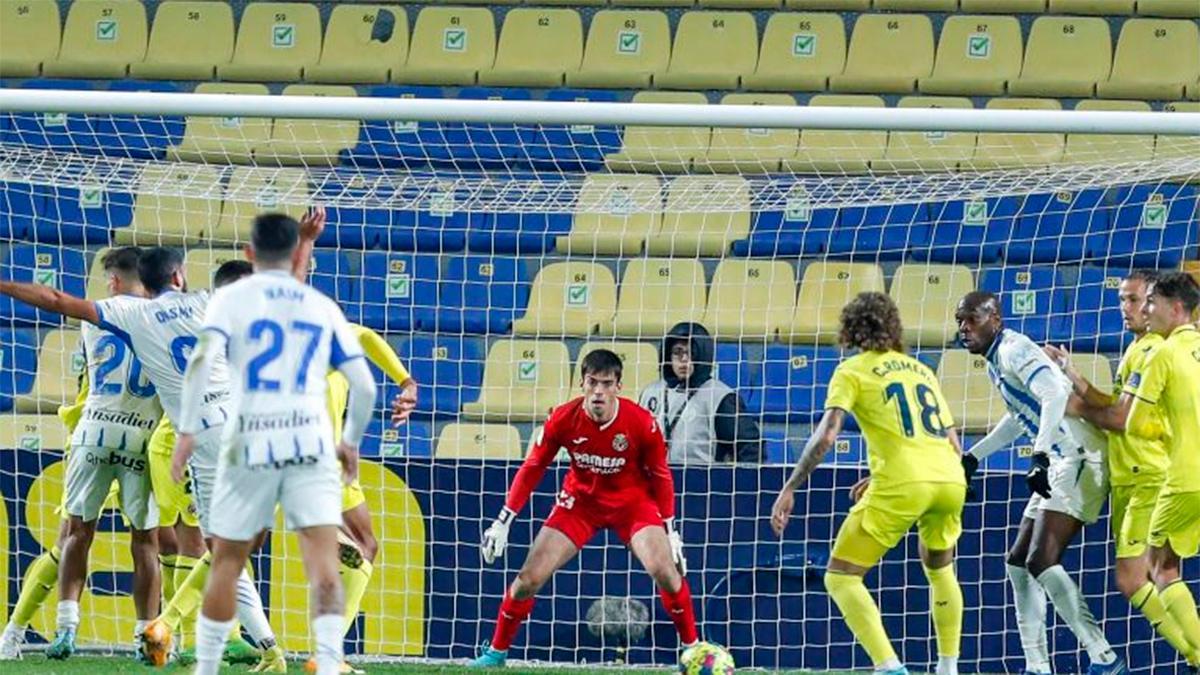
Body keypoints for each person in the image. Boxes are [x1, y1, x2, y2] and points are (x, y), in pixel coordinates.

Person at [0, 216, 324, 671]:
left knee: (215, 548)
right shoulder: (209, 301)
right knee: (221, 547)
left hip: (200, 438)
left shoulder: (131, 313)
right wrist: (305, 242)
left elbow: (56, 300)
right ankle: (269, 649)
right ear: (178, 276)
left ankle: (168, 624)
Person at [171, 212, 376, 675]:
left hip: (251, 440)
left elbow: (202, 360)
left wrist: (186, 431)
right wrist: (350, 441)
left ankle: (206, 668)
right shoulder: (321, 306)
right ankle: (327, 663)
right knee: (324, 564)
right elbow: (363, 386)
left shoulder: (231, 299)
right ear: (295, 253)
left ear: (248, 253)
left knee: (227, 559)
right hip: (308, 442)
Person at [770, 292, 966, 675]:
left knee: (840, 576)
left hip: (905, 482)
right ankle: (948, 667)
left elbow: (826, 437)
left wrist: (791, 485)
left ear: (850, 331)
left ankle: (889, 667)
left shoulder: (853, 371)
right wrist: (882, 476)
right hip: (949, 479)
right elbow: (953, 443)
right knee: (940, 568)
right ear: (893, 326)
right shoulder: (920, 369)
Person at [470, 349, 697, 668]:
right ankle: (495, 653)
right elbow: (533, 466)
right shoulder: (563, 418)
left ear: (619, 385)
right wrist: (503, 521)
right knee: (528, 578)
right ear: (582, 384)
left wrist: (671, 532)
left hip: (632, 504)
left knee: (665, 572)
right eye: (593, 383)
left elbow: (660, 475)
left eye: (606, 383)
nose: (599, 392)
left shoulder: (642, 423)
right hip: (580, 504)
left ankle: (694, 649)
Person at [0, 247, 163, 661]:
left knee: (74, 534)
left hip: (94, 433)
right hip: (142, 438)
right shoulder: (167, 319)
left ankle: (65, 630)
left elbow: (54, 300)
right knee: (146, 542)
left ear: (113, 280)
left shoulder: (96, 314)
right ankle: (146, 637)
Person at [957, 291, 1126, 675]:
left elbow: (1054, 394)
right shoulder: (995, 361)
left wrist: (1040, 454)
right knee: (1018, 562)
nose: (964, 328)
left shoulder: (1016, 350)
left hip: (1080, 455)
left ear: (995, 319)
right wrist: (973, 456)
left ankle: (1104, 657)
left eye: (972, 319)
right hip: (1061, 458)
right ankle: (1037, 666)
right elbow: (1022, 415)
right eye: (959, 321)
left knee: (1040, 559)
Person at [1044, 271, 1199, 669]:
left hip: (1153, 474)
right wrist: (1075, 379)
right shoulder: (1140, 350)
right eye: (1125, 300)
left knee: (1139, 577)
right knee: (1158, 572)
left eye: (1139, 300)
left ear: (1166, 306)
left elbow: (1119, 417)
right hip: (1133, 474)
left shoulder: (1155, 352)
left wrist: (1065, 403)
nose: (1131, 309)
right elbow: (1114, 403)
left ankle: (1195, 653)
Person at [1119, 273, 1200, 666]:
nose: (1147, 311)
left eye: (1153, 303)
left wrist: (1162, 426)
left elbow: (1133, 422)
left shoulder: (1162, 354)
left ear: (1176, 308)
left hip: (1185, 477)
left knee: (1161, 567)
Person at [638, 322, 761, 463]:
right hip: (652, 480)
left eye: (691, 353)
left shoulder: (720, 397)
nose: (684, 359)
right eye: (677, 352)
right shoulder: (650, 392)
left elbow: (750, 448)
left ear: (703, 355)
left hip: (700, 481)